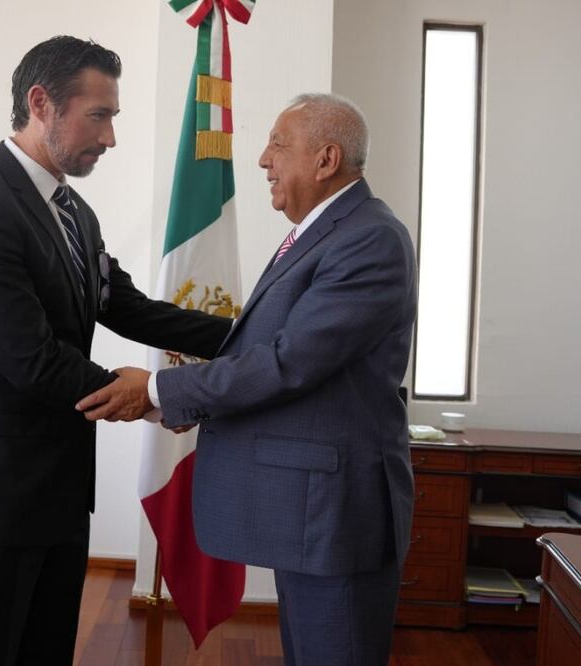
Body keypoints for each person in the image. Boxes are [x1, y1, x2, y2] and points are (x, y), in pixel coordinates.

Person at [0, 36, 231, 665]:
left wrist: (250, 337)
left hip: (60, 491)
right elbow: (31, 359)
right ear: (42, 104)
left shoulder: (74, 212)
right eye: (100, 115)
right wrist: (153, 398)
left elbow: (128, 306)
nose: (111, 137)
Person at [77, 93, 417, 665]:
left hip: (336, 514)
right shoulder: (326, 231)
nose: (263, 159)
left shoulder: (367, 238)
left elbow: (288, 361)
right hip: (313, 514)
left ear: (326, 159)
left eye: (279, 144)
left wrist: (157, 390)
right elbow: (262, 341)